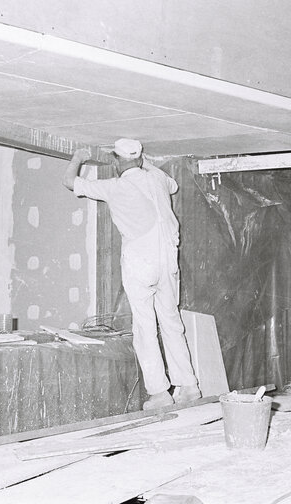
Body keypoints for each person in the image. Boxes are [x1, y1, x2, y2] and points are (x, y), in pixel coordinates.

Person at [63, 139, 201, 410]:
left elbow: (70, 182)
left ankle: (160, 393)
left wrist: (78, 157)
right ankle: (189, 386)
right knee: (172, 323)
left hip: (141, 261)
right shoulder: (159, 178)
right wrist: (142, 161)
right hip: (168, 261)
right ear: (140, 159)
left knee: (145, 327)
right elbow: (172, 185)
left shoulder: (116, 187)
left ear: (116, 161)